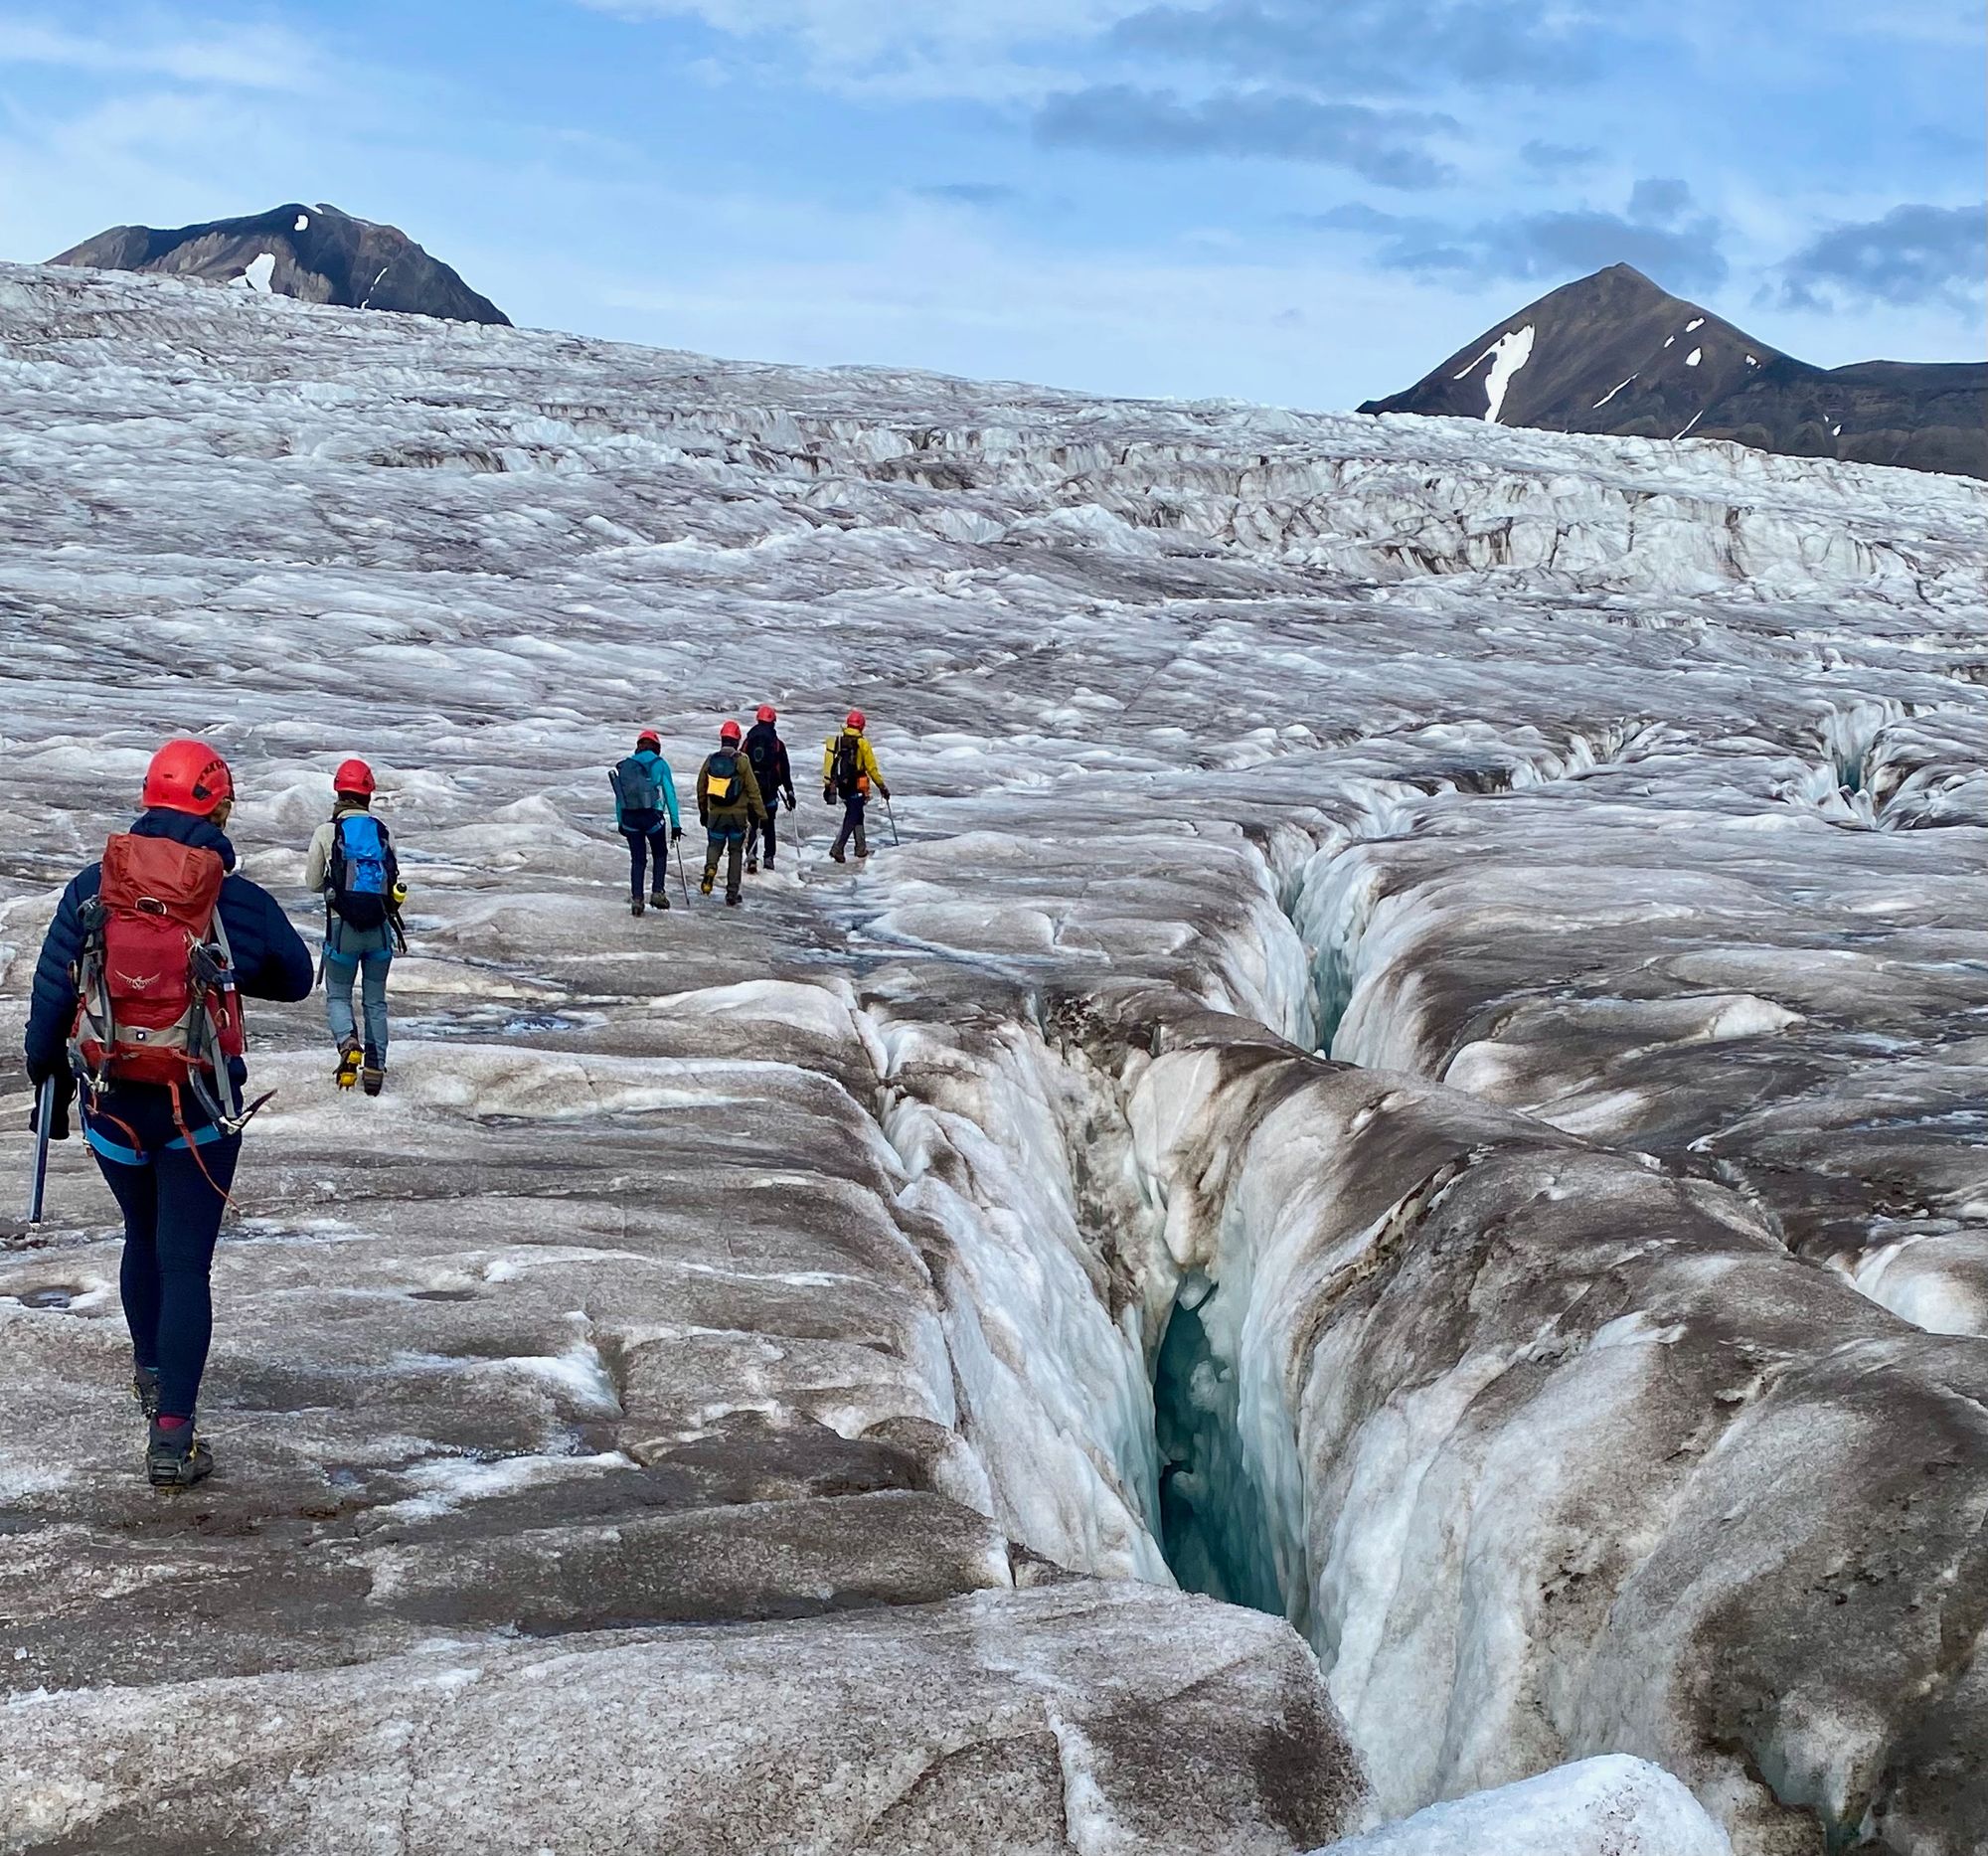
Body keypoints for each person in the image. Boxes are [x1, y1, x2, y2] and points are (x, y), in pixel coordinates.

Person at [24, 739, 313, 1487]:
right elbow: (296, 976)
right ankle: (173, 1438)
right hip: (201, 1111)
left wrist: (45, 1076)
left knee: (139, 1237)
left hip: (111, 1103)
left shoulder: (92, 886)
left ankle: (152, 1372)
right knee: (185, 1261)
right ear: (217, 805)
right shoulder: (232, 900)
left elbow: (53, 996)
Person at [304, 759, 406, 1096]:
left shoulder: (325, 832)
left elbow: (312, 883)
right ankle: (375, 1070)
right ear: (368, 794)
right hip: (379, 930)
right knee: (375, 1001)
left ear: (338, 791)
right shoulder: (382, 832)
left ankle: (348, 1044)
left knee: (338, 995)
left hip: (342, 930)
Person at [610, 729, 682, 917]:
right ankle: (657, 892)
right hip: (652, 817)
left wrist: (621, 821)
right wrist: (675, 824)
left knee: (638, 859)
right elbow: (670, 794)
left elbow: (620, 797)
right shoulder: (660, 764)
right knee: (659, 853)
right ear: (656, 746)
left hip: (630, 818)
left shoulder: (627, 765)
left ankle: (637, 899)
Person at [697, 720, 767, 905]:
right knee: (735, 852)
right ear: (737, 740)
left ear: (722, 739)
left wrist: (703, 810)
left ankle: (711, 868)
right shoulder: (742, 762)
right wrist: (762, 815)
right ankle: (732, 892)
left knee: (714, 845)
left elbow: (701, 786)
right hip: (738, 816)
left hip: (715, 815)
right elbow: (753, 790)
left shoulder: (711, 759)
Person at [822, 709, 889, 863]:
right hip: (857, 785)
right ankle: (837, 848)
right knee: (852, 816)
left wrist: (828, 785)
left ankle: (860, 849)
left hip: (841, 786)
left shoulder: (838, 742)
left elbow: (829, 763)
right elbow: (871, 768)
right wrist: (882, 786)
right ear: (861, 726)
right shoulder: (862, 743)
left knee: (857, 814)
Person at [743, 705, 795, 875]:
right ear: (773, 722)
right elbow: (785, 771)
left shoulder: (748, 741)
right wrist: (789, 792)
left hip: (751, 791)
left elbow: (741, 763)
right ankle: (768, 858)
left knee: (752, 823)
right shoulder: (777, 744)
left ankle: (751, 856)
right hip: (771, 790)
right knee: (769, 824)